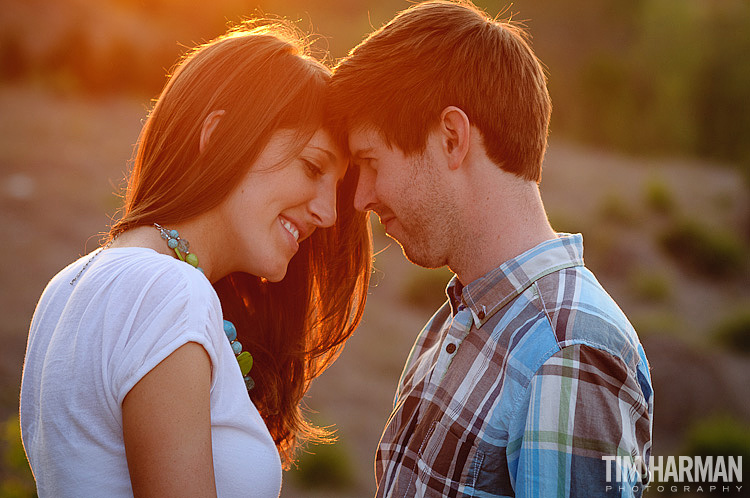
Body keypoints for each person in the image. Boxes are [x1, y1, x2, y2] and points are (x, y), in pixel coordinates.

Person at [20, 21, 371, 498]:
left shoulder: (66, 284)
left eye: (337, 187)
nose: (329, 213)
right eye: (312, 167)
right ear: (221, 135)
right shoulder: (168, 292)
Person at [328, 1, 653, 496]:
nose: (361, 196)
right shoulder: (459, 318)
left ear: (452, 137)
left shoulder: (567, 353)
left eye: (371, 161)